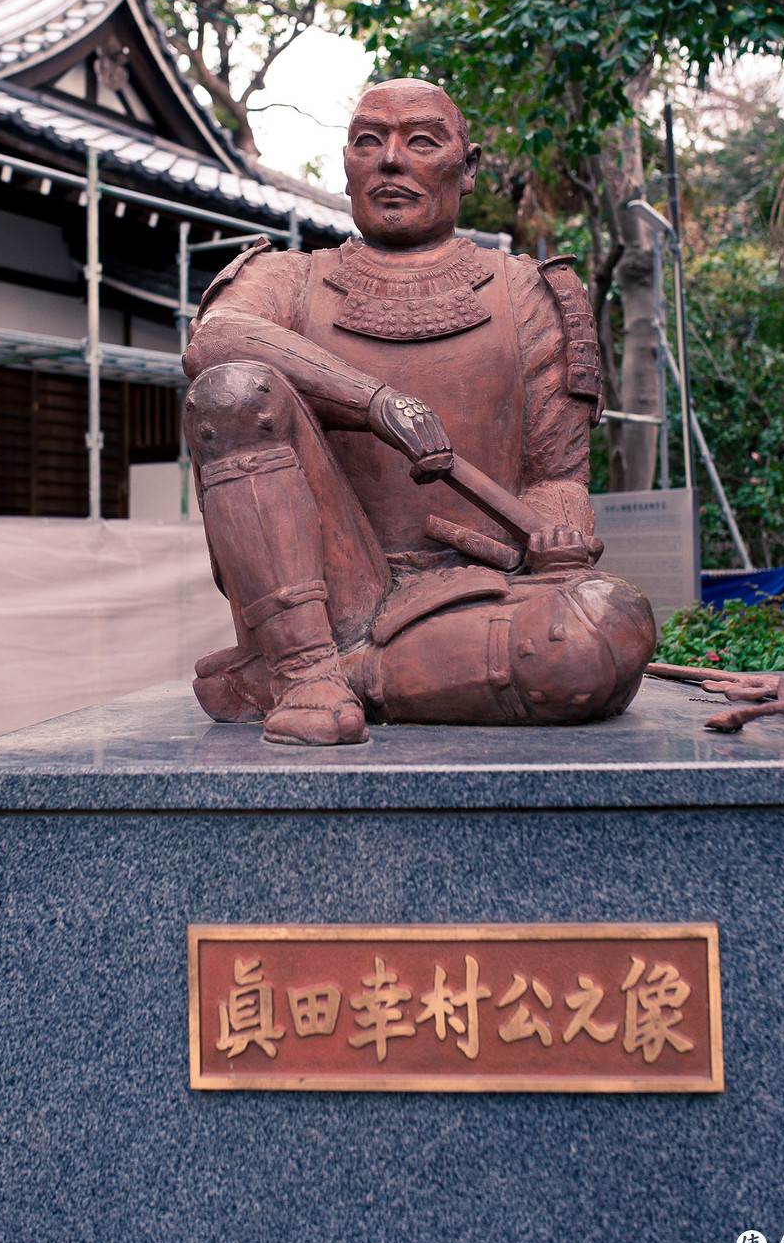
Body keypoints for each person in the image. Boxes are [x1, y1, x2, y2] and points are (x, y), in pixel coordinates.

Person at [182, 79, 654, 745]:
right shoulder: (289, 278)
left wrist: (556, 534)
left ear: (468, 166)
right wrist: (373, 399)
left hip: (472, 599)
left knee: (610, 630)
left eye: (422, 142)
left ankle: (319, 677)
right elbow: (215, 338)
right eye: (368, 142)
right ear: (346, 165)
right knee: (232, 391)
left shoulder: (526, 292)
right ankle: (306, 667)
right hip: (324, 591)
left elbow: (555, 479)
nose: (392, 161)